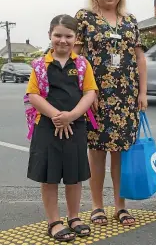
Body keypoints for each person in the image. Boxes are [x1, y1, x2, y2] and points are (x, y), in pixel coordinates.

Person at [74, 0, 148, 226]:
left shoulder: (130, 20)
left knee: (120, 153)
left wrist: (143, 92)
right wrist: (86, 91)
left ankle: (120, 206)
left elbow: (139, 58)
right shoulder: (84, 18)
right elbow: (77, 57)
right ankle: (96, 206)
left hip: (126, 97)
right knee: (96, 152)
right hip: (96, 96)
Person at [26, 14, 98, 242]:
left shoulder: (82, 64)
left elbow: (90, 93)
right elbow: (33, 95)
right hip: (47, 127)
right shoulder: (39, 65)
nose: (63, 40)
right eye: (58, 35)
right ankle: (54, 221)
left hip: (75, 127)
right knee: (49, 177)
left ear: (76, 39)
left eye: (68, 36)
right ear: (50, 35)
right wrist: (57, 116)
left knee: (74, 176)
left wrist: (72, 116)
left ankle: (74, 217)